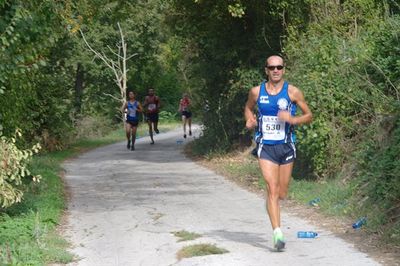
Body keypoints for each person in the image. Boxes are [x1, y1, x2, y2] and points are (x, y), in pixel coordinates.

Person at [244, 55, 312, 251]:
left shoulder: (292, 91)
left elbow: (309, 115)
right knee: (272, 188)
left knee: (281, 192)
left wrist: (293, 119)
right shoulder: (257, 92)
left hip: (287, 146)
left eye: (279, 67)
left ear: (283, 69)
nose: (276, 70)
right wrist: (249, 120)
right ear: (266, 69)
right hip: (266, 146)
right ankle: (277, 233)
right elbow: (248, 109)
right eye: (272, 67)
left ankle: (272, 206)